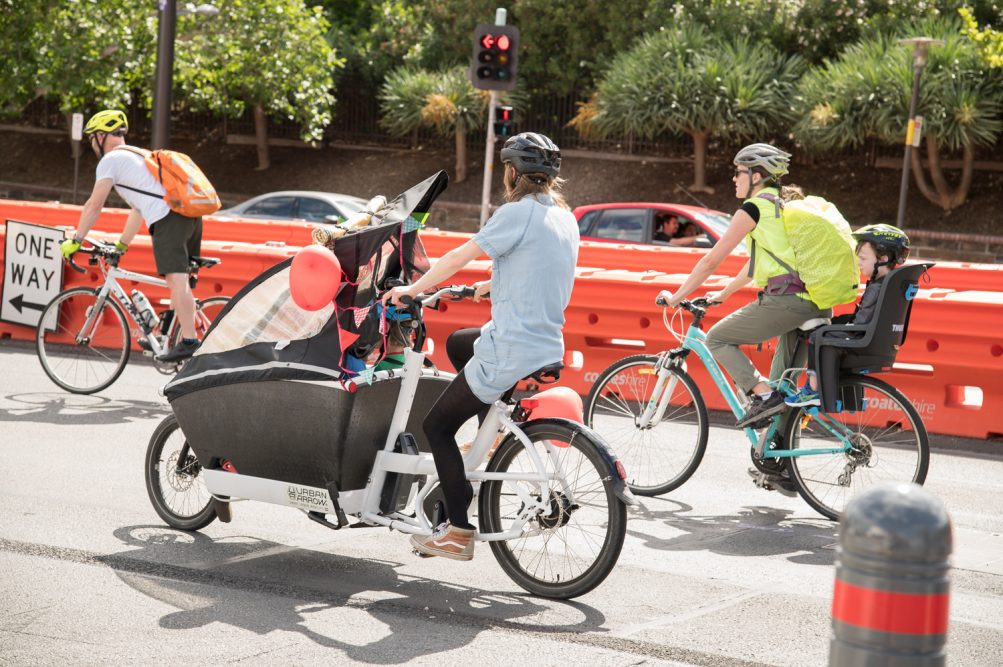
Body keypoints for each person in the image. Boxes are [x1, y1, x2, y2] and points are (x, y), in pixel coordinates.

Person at [383, 132, 578, 561]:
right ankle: (489, 430)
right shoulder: (565, 217)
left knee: (437, 428)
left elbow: (457, 255)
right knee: (459, 343)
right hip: (547, 342)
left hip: (510, 347)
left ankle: (456, 530)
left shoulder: (515, 213)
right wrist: (484, 288)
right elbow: (538, 268)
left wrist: (411, 290)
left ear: (512, 172)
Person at [658, 143, 830, 429]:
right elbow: (757, 265)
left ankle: (761, 394)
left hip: (788, 302)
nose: (734, 178)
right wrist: (724, 294)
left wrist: (676, 297)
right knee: (783, 388)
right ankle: (779, 466)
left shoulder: (754, 208)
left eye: (739, 172)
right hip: (815, 301)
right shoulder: (784, 205)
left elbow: (710, 261)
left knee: (717, 338)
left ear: (756, 175)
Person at [60, 110, 205, 363]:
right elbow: (138, 209)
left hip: (168, 220)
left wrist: (76, 239)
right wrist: (121, 244)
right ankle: (168, 335)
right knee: (179, 281)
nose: (92, 145)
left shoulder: (111, 161)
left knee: (176, 280)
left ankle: (190, 341)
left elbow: (94, 205)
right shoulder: (139, 156)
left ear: (101, 136)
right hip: (190, 216)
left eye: (92, 139)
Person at [785, 224, 911, 407]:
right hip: (880, 341)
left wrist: (831, 329)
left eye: (863, 258)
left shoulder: (876, 289)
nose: (858, 262)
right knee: (827, 327)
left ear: (883, 258)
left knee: (817, 336)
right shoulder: (890, 284)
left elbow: (859, 324)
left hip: (863, 341)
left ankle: (812, 390)